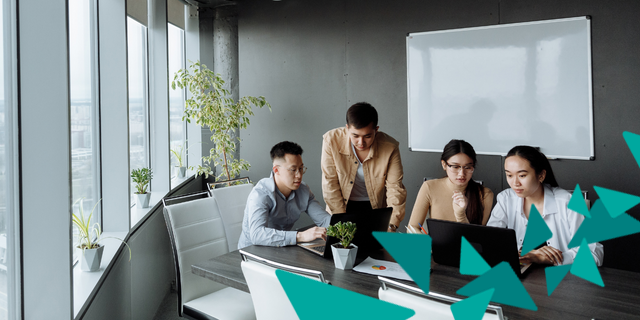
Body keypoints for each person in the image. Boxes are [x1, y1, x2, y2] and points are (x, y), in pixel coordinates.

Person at [487, 145, 604, 266]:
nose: (515, 183)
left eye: (522, 175)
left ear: (541, 175)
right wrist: (527, 253)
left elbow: (594, 254)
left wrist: (550, 259)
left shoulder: (568, 202)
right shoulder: (506, 199)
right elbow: (490, 241)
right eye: (509, 175)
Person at [321, 102, 407, 232]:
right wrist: (341, 222)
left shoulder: (390, 147)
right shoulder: (331, 140)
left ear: (376, 130)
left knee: (375, 249)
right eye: (355, 136)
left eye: (367, 136)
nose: (361, 143)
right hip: (340, 206)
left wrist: (391, 224)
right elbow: (330, 184)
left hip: (375, 208)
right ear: (347, 128)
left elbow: (395, 188)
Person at [238, 141, 331, 249]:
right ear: (276, 170)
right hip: (252, 252)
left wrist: (344, 230)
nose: (299, 175)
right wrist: (300, 236)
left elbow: (324, 220)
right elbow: (257, 235)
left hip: (281, 250)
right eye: (293, 170)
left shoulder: (303, 190)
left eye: (301, 168)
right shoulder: (261, 194)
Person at [408, 139, 494, 233]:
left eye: (468, 167)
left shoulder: (485, 194)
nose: (461, 173)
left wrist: (460, 214)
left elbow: (475, 239)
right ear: (444, 165)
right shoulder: (429, 187)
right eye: (455, 167)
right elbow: (412, 227)